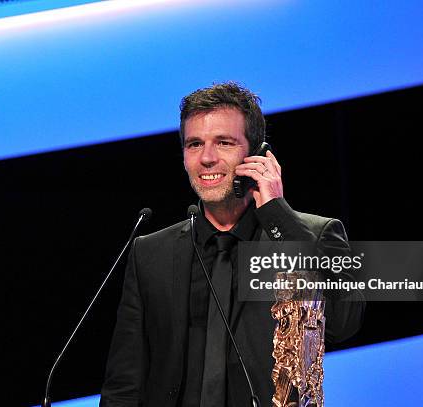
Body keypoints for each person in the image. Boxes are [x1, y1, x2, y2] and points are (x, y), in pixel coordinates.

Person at [100, 82, 364, 407]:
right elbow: (123, 385)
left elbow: (344, 322)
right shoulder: (150, 252)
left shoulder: (314, 234)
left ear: (257, 154)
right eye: (194, 144)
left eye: (224, 142)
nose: (207, 158)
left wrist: (278, 215)